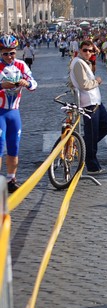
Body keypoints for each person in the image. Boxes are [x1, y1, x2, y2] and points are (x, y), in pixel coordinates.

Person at [70, 40, 107, 175]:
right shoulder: (78, 63)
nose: (88, 53)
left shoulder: (84, 62)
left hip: (96, 102)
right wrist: (97, 81)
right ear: (79, 50)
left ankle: (82, 142)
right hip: (88, 103)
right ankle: (93, 167)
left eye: (90, 50)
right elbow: (84, 84)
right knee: (92, 135)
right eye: (85, 50)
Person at [0, 35, 37, 193]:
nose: (9, 57)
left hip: (14, 112)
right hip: (0, 112)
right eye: (5, 53)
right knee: (0, 146)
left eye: (12, 53)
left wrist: (26, 83)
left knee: (14, 146)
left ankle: (11, 178)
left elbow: (34, 84)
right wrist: (1, 85)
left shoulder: (21, 65)